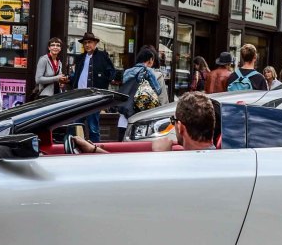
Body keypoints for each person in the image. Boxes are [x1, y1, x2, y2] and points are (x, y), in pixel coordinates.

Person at [74, 92, 217, 154]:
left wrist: (160, 156)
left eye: (173, 121)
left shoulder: (180, 164)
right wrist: (93, 150)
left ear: (181, 127)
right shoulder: (219, 159)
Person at [70, 31, 116, 142]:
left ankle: (95, 149)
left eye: (89, 42)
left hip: (94, 97)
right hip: (79, 96)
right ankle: (75, 147)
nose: (87, 45)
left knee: (93, 127)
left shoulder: (102, 56)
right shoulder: (80, 57)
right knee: (75, 125)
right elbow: (76, 74)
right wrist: (70, 80)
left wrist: (106, 81)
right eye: (85, 43)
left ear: (95, 43)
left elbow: (111, 71)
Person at [119, 46, 162, 131]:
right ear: (150, 60)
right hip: (139, 115)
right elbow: (158, 90)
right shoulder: (148, 71)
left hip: (124, 114)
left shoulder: (127, 71)